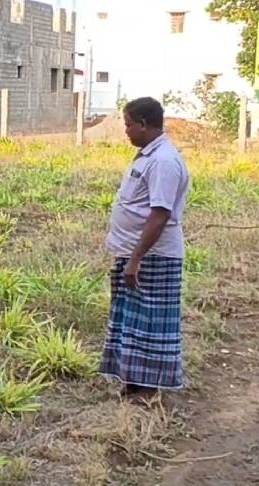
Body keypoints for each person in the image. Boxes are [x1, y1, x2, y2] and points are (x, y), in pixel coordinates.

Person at [100, 97, 190, 398]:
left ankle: (148, 390)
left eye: (128, 124)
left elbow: (160, 213)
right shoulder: (148, 156)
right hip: (136, 253)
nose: (125, 130)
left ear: (143, 124)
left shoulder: (164, 161)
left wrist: (136, 259)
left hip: (153, 256)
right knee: (133, 322)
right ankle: (134, 382)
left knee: (151, 323)